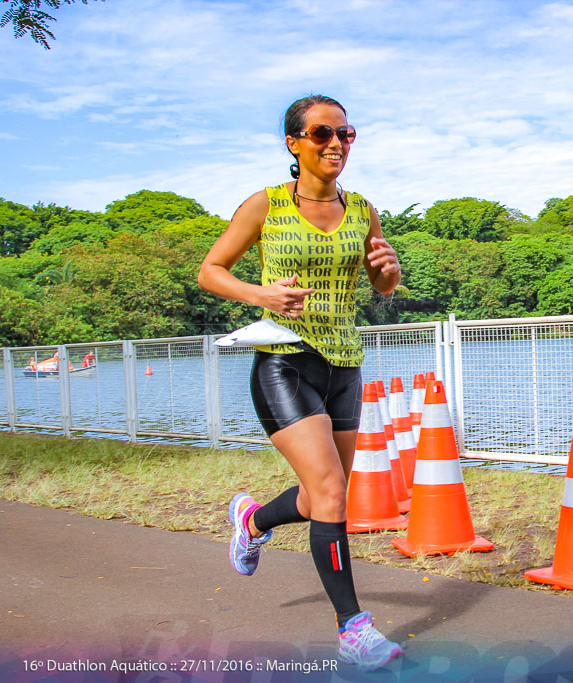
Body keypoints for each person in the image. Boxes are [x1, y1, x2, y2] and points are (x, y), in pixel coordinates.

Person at [198, 95, 402, 672]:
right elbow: (210, 271)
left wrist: (388, 275)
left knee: (321, 500)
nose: (335, 144)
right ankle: (353, 630)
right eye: (321, 134)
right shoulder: (265, 204)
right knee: (334, 494)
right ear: (294, 143)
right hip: (284, 361)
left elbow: (381, 283)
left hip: (345, 364)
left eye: (346, 134)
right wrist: (260, 294)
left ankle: (253, 520)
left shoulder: (362, 208)